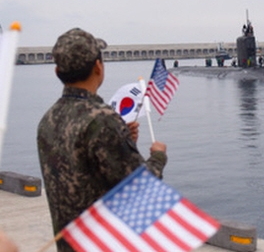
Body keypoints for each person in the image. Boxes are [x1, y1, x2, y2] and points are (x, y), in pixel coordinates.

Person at [37, 28, 168, 252]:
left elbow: (82, 171)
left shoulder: (47, 120)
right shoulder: (103, 121)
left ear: (57, 71)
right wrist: (158, 156)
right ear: (98, 66)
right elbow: (139, 187)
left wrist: (125, 143)